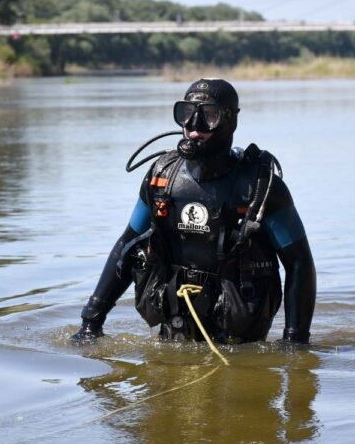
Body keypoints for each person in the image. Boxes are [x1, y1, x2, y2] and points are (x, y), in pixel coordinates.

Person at [72, 78, 316, 344]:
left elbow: (299, 262)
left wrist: (295, 340)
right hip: (173, 322)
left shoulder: (261, 187)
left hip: (239, 334)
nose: (194, 128)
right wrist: (91, 321)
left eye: (208, 116)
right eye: (187, 115)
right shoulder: (162, 176)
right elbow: (127, 243)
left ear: (230, 121)